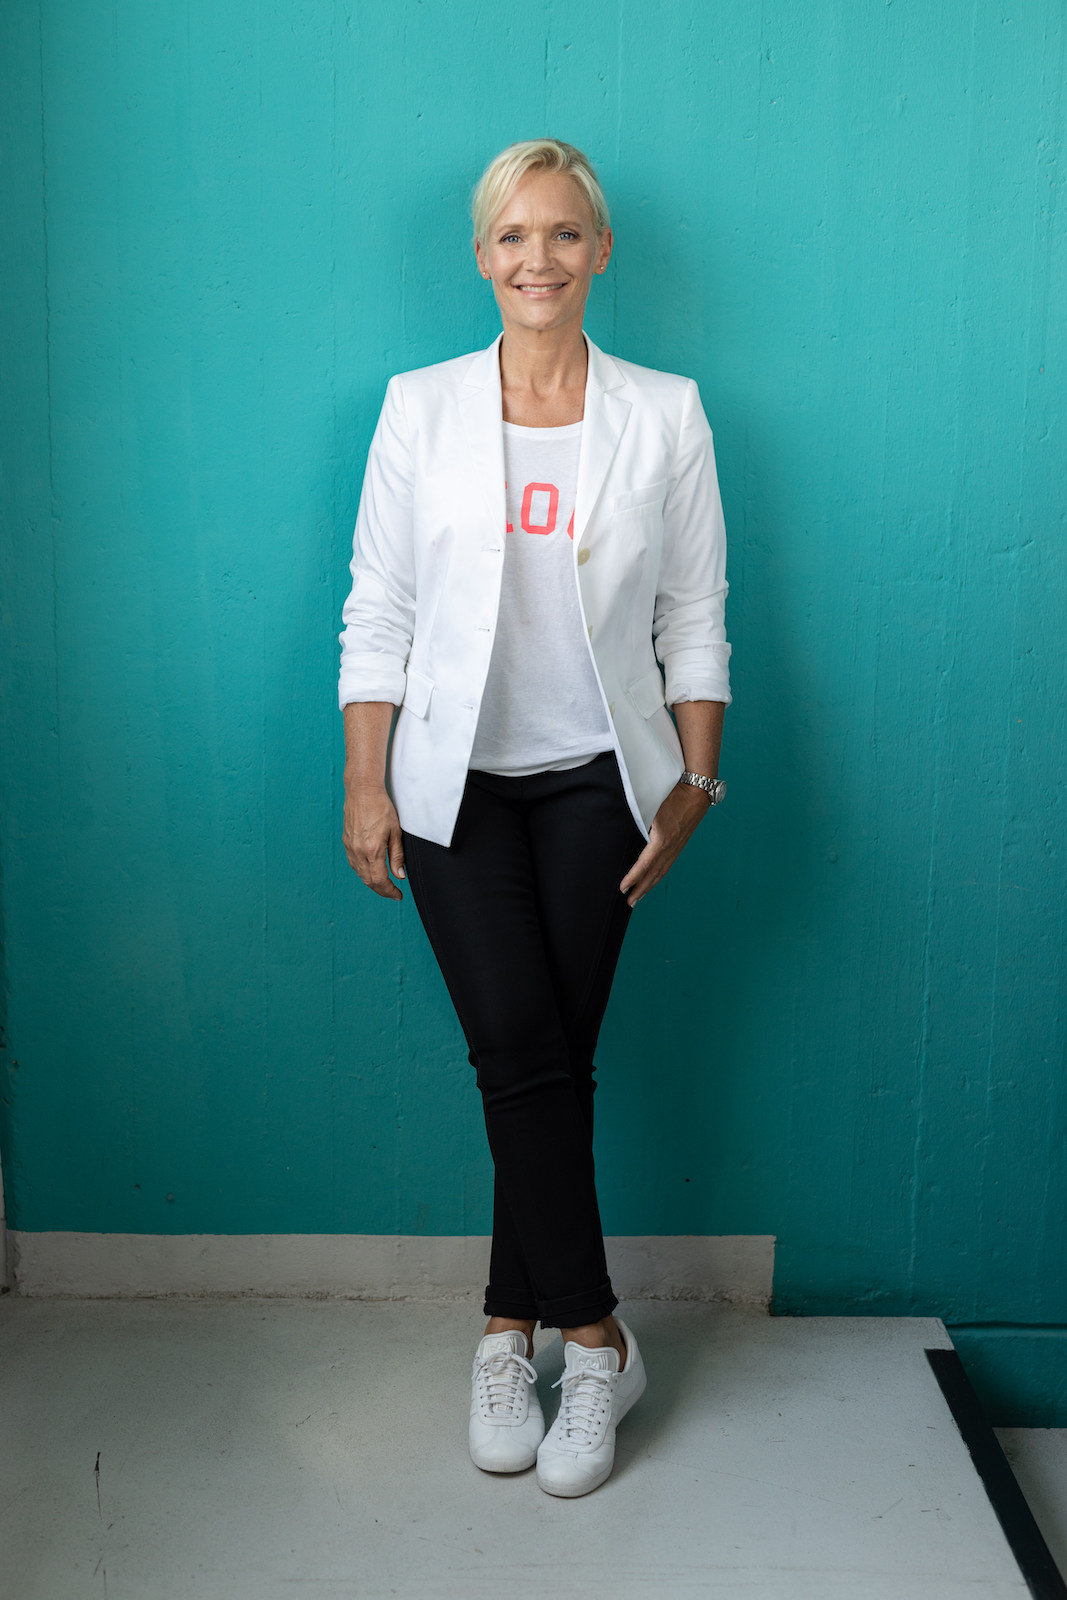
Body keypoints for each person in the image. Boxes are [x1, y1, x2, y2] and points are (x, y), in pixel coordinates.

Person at [338, 138, 731, 1498]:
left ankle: (509, 1329)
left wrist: (695, 785)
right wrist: (367, 780)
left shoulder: (664, 414)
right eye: (513, 235)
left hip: (597, 783)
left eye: (564, 233)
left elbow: (695, 612)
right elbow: (380, 607)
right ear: (481, 255)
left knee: (550, 1061)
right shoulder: (421, 408)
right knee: (521, 1053)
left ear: (600, 251)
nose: (538, 259)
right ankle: (597, 1337)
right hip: (454, 786)